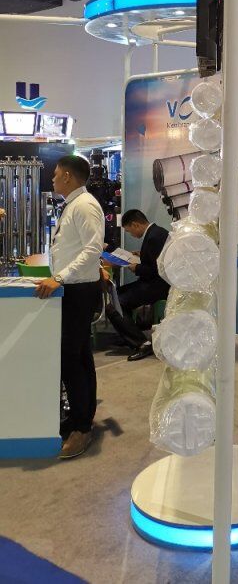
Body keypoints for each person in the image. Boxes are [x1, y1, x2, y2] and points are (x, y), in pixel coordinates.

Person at [35, 155, 104, 459]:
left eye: (55, 174)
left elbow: (93, 247)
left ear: (67, 176)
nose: (52, 179)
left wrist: (59, 277)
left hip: (78, 291)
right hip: (74, 289)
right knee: (80, 357)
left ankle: (81, 429)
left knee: (69, 359)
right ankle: (82, 418)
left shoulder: (85, 205)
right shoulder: (74, 204)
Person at [105, 209, 169, 361]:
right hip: (154, 283)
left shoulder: (153, 237)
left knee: (114, 304)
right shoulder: (157, 232)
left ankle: (142, 343)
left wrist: (136, 268)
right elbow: (156, 259)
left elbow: (156, 270)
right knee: (116, 294)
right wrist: (141, 255)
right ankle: (129, 334)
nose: (131, 235)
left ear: (135, 225)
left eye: (129, 231)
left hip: (157, 286)